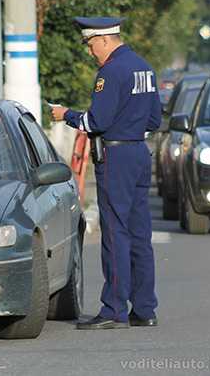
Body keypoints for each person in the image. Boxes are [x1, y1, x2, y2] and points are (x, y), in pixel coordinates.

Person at [51, 17, 161, 330]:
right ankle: (145, 308)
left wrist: (65, 115)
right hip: (139, 152)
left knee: (115, 234)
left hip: (116, 156)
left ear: (102, 39)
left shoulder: (112, 71)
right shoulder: (144, 67)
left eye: (89, 44)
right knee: (140, 235)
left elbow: (95, 121)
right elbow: (154, 120)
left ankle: (114, 309)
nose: (89, 52)